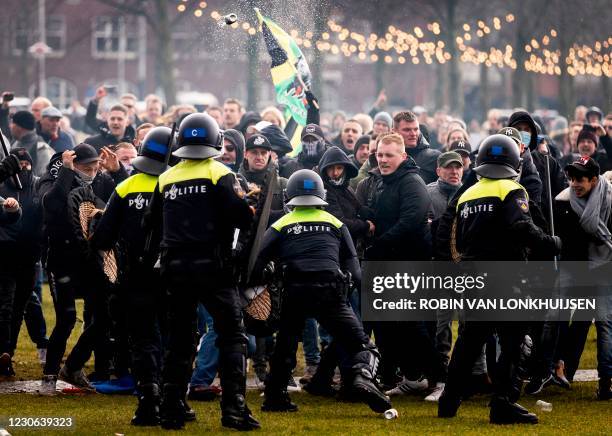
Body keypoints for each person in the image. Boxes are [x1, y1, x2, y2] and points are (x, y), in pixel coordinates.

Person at [438, 134, 561, 424]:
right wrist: (550, 242)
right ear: (514, 163)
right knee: (515, 342)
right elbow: (521, 226)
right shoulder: (512, 188)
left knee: (469, 342)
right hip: (505, 276)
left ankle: (449, 401)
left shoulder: (468, 194)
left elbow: (454, 235)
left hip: (472, 277)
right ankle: (503, 403)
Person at [251, 169, 392, 415]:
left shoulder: (281, 222)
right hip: (329, 291)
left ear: (289, 195)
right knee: (361, 344)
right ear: (321, 194)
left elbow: (258, 260)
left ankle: (274, 397)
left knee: (285, 346)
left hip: (293, 291)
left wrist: (257, 287)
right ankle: (363, 377)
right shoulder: (335, 223)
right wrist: (355, 294)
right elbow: (353, 266)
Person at [151, 113, 259, 431]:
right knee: (232, 336)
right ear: (215, 141)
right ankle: (234, 410)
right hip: (213, 269)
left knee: (181, 340)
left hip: (174, 270)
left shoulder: (166, 178)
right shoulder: (220, 173)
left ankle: (171, 409)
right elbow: (243, 218)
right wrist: (249, 205)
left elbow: (151, 225)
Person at [90, 127, 172, 425]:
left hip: (135, 277)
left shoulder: (125, 187)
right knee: (176, 339)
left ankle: (148, 400)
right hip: (175, 277)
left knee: (143, 339)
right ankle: (174, 400)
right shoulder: (176, 183)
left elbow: (102, 238)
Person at [38, 143, 128, 394]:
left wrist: (118, 172)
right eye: (87, 168)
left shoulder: (101, 181)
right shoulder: (55, 178)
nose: (93, 172)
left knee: (104, 315)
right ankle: (49, 377)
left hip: (92, 262)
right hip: (61, 260)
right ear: (74, 164)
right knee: (65, 319)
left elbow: (125, 198)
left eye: (96, 167)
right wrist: (66, 173)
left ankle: (74, 365)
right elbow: (52, 205)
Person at [553, 156, 612, 400]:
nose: (574, 183)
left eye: (580, 179)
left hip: (605, 266)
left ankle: (606, 379)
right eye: (572, 178)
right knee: (560, 316)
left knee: (605, 323)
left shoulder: (609, 199)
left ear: (595, 180)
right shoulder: (565, 200)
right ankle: (556, 368)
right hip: (577, 268)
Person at [393, 111, 440, 184]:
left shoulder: (434, 158)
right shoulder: (386, 156)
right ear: (394, 132)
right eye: (407, 130)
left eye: (416, 129)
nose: (413, 134)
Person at [9, 110, 54, 177]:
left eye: (12, 123)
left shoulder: (42, 149)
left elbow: (44, 179)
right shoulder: (16, 143)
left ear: (19, 127)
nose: (10, 126)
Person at [427, 151, 464, 220]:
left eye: (458, 167)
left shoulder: (469, 194)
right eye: (448, 167)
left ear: (462, 170)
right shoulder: (426, 194)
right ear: (438, 171)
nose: (454, 172)